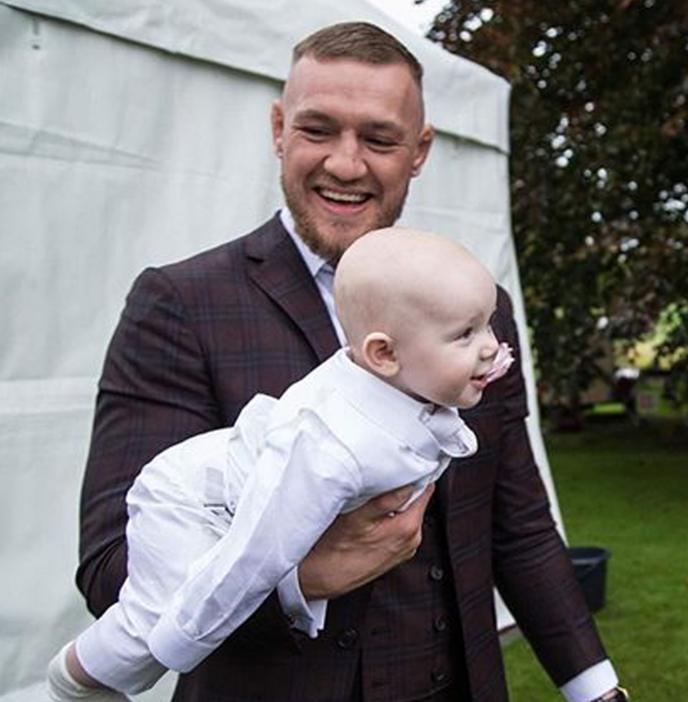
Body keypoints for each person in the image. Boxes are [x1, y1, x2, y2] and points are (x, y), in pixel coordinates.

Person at [74, 21, 626, 702]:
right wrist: (300, 578)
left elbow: (518, 525)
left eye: (379, 138)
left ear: (420, 151)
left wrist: (596, 688)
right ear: (278, 130)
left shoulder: (480, 310)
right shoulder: (181, 303)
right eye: (317, 130)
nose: (345, 163)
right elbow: (111, 569)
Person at [50, 228, 513, 700]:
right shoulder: (333, 452)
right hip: (193, 499)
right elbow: (255, 552)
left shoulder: (411, 353)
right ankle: (74, 678)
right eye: (465, 335)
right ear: (384, 354)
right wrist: (182, 640)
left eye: (488, 326)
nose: (491, 346)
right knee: (152, 618)